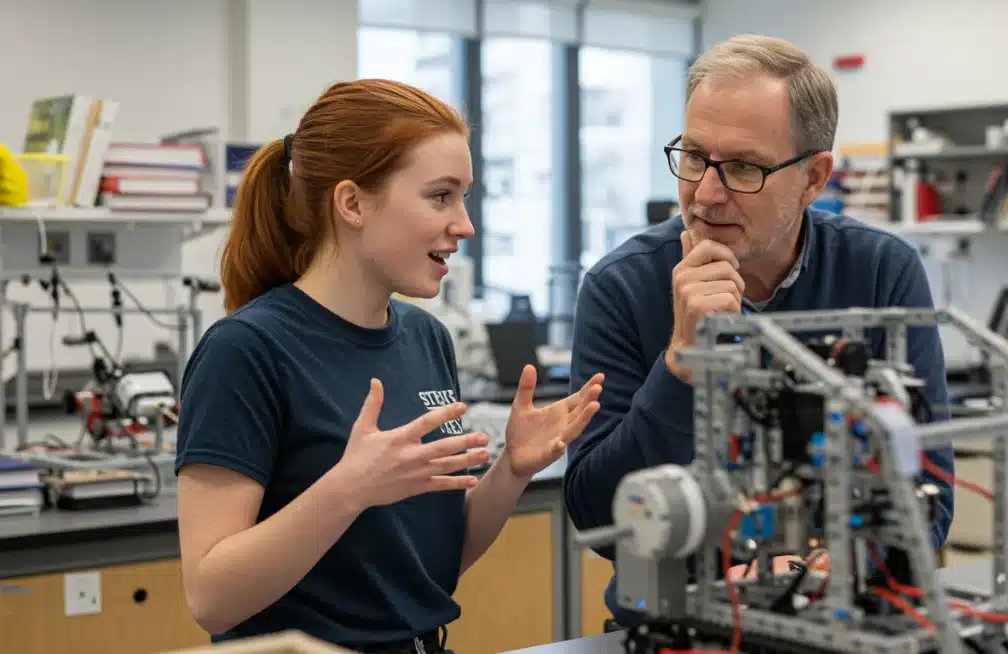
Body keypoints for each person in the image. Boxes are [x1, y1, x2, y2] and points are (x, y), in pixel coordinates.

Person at [174, 79, 604, 653]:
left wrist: (512, 470)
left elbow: (429, 569)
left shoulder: (426, 338)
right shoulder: (245, 351)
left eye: (465, 197)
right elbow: (211, 597)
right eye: (440, 196)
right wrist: (348, 489)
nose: (465, 224)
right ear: (352, 203)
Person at [563, 34, 955, 626]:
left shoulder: (879, 272)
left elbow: (931, 500)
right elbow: (598, 518)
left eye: (743, 167)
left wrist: (807, 572)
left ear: (814, 178)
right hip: (675, 625)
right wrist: (681, 363)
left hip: (839, 621)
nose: (706, 194)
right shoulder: (621, 286)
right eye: (694, 157)